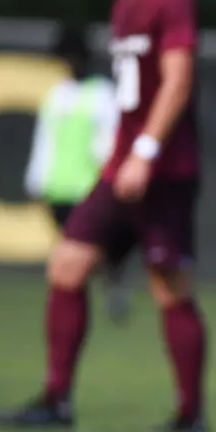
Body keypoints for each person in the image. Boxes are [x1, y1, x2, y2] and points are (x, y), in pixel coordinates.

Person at [0, 0, 209, 432]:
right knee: (67, 265)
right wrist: (123, 155)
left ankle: (190, 414)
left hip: (162, 171)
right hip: (121, 170)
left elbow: (178, 81)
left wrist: (145, 151)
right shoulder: (123, 4)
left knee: (168, 286)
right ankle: (57, 399)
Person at [25, 23, 129, 323]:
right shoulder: (56, 96)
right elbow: (45, 140)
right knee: (70, 258)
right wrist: (36, 178)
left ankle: (107, 287)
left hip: (89, 188)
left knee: (84, 254)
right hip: (58, 187)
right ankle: (81, 300)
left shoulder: (102, 94)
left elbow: (109, 142)